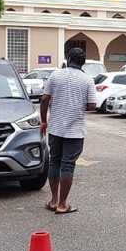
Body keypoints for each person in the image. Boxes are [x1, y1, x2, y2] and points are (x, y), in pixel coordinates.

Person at [38, 47, 97, 214]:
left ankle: (54, 201)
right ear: (83, 62)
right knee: (68, 165)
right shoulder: (87, 80)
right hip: (75, 131)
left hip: (55, 128)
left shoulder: (56, 75)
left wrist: (44, 121)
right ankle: (63, 205)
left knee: (55, 162)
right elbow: (92, 105)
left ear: (68, 59)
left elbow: (44, 98)